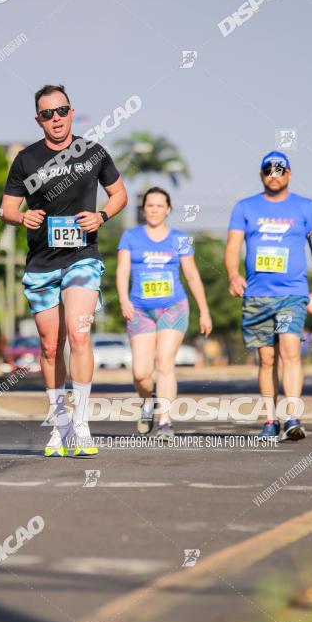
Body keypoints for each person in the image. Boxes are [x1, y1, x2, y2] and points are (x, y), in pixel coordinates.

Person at [1, 84, 128, 456]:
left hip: (82, 256)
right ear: (38, 119)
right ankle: (59, 427)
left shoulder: (92, 153)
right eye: (47, 114)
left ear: (72, 113)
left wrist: (101, 215)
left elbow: (119, 194)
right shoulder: (26, 159)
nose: (55, 119)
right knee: (49, 344)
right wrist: (23, 216)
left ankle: (82, 425)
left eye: (61, 111)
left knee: (79, 333)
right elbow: (7, 208)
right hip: (42, 263)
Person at [225, 151, 312, 441]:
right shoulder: (245, 208)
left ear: (289, 174)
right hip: (257, 296)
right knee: (267, 358)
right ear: (261, 175)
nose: (274, 175)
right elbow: (233, 245)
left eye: (280, 170)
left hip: (292, 295)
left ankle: (293, 418)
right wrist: (233, 274)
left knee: (289, 352)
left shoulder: (306, 208)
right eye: (268, 171)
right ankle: (270, 420)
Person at [116, 187, 212, 439]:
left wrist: (204, 311)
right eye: (150, 205)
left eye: (160, 205)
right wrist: (124, 299)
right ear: (143, 208)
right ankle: (147, 402)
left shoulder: (179, 238)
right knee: (141, 373)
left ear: (168, 209)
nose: (154, 210)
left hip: (173, 306)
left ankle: (165, 422)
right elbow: (122, 271)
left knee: (165, 362)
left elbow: (191, 275)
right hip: (140, 309)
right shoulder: (130, 237)